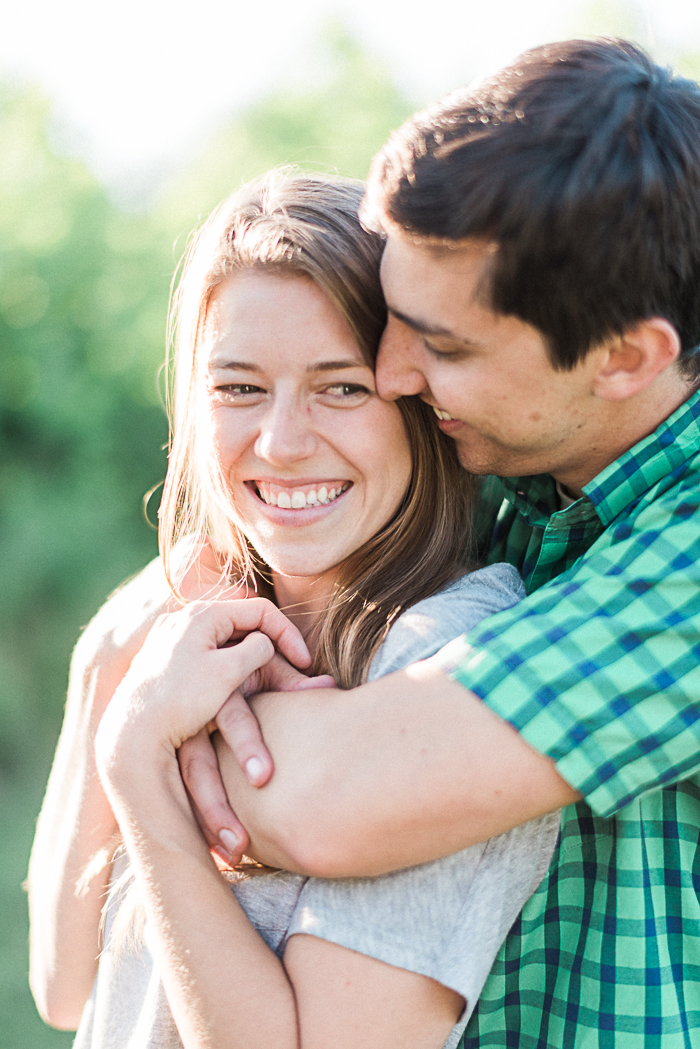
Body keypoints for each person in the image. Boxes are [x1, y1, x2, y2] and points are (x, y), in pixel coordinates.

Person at [173, 39, 700, 1048]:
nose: (395, 373)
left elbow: (334, 798)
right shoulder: (516, 467)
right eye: (397, 318)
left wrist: (145, 726)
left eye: (443, 344)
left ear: (626, 358)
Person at [27, 172, 559, 1049]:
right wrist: (106, 665)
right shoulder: (186, 635)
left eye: (340, 387)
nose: (280, 441)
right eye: (239, 388)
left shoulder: (443, 659)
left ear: (419, 405)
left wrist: (137, 764)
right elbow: (65, 984)